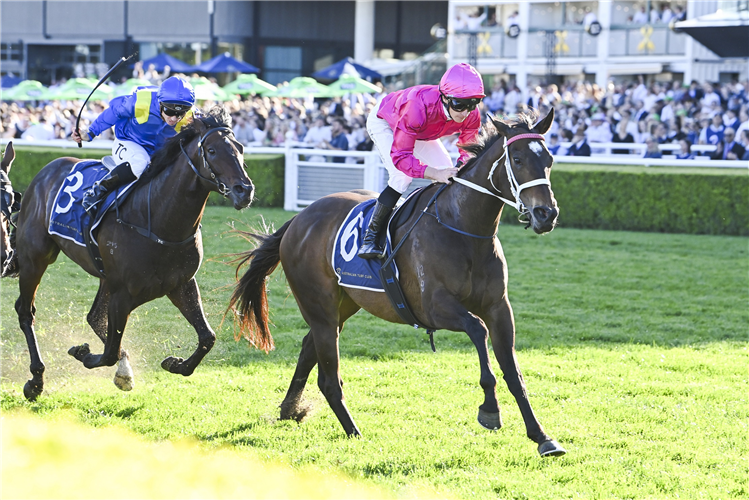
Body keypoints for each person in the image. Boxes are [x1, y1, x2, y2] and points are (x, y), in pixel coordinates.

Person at [358, 63, 484, 259]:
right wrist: (434, 173)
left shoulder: (471, 115)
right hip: (386, 122)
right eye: (460, 105)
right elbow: (401, 158)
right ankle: (370, 238)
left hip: (420, 131)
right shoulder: (417, 106)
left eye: (473, 103)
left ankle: (444, 231)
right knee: (402, 178)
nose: (465, 112)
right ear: (445, 97)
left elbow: (467, 150)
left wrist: (459, 167)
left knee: (448, 173)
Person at [72, 76, 195, 211]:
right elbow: (114, 112)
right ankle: (97, 191)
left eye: (180, 113)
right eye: (169, 111)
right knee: (140, 163)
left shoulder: (190, 115)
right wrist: (90, 133)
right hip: (128, 142)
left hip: (158, 152)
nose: (174, 118)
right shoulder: (141, 102)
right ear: (160, 103)